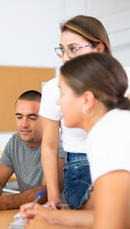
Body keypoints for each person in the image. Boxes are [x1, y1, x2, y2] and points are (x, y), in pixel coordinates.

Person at [21, 53, 130, 229]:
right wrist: (53, 215)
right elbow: (122, 219)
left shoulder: (110, 134)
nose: (57, 101)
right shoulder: (115, 125)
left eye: (62, 93)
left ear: (86, 100)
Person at [39, 15, 130, 210]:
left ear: (99, 48)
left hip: (122, 158)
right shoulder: (54, 87)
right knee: (114, 208)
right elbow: (49, 145)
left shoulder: (125, 78)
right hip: (80, 165)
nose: (64, 57)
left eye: (73, 49)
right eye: (62, 50)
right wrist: (53, 197)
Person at [0, 90, 65, 212]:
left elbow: (46, 192)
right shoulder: (15, 142)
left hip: (59, 215)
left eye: (32, 118)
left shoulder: (59, 143)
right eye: (19, 117)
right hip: (28, 213)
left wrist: (3, 203)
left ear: (45, 119)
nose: (24, 124)